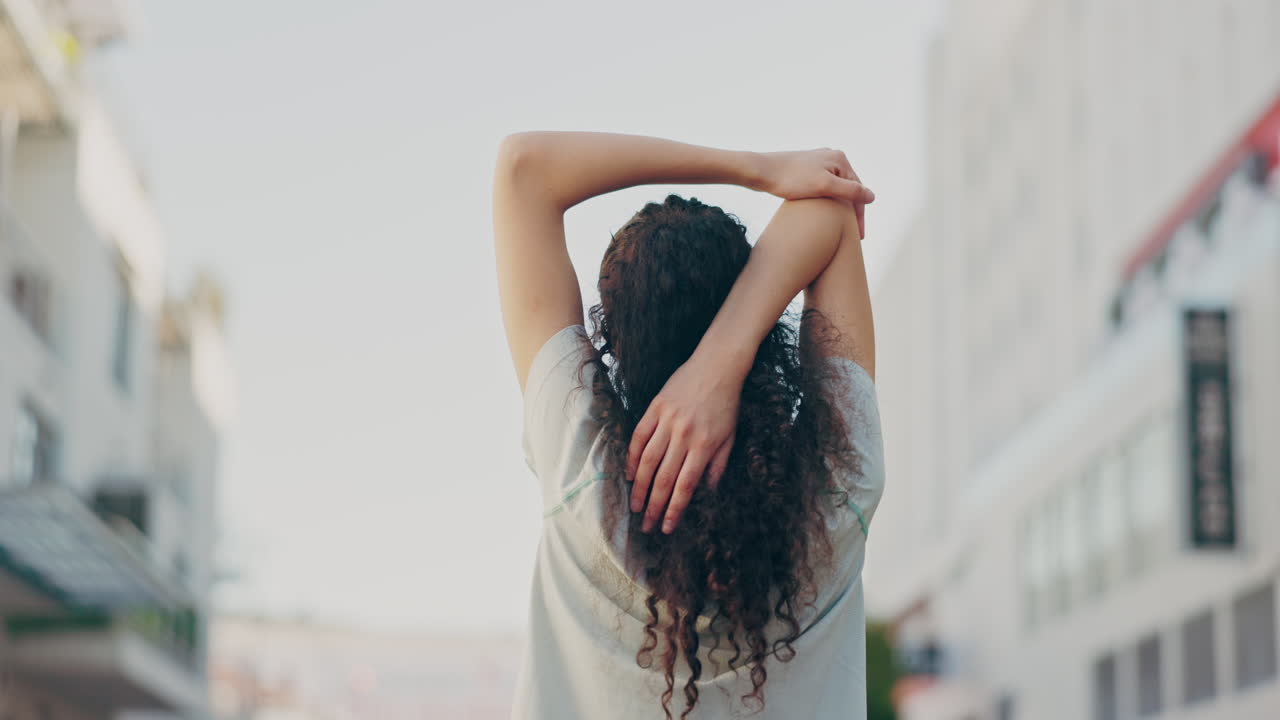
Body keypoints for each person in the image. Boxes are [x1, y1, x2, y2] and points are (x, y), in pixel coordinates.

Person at [492, 131, 886, 720]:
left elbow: (524, 167)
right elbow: (828, 212)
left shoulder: (582, 465)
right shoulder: (838, 485)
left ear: (615, 346)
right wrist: (723, 355)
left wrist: (756, 168)